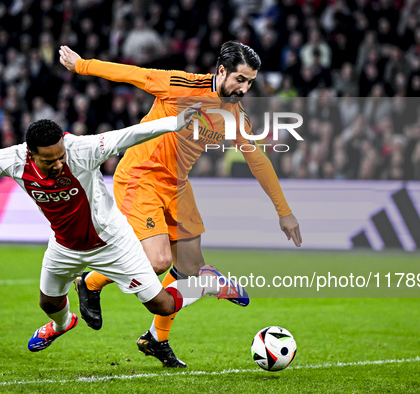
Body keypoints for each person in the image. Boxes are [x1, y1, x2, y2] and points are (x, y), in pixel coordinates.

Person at [0, 110, 248, 352]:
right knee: (49, 302)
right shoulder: (14, 160)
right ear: (31, 154)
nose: (60, 163)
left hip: (111, 243)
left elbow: (129, 134)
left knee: (161, 305)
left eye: (61, 156)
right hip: (64, 246)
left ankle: (205, 285)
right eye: (51, 161)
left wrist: (175, 123)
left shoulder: (82, 150)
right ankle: (62, 325)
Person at [59, 41, 302, 367]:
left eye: (249, 83)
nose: (244, 89)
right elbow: (135, 74)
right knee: (158, 262)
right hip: (140, 176)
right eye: (240, 80)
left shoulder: (235, 116)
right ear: (221, 71)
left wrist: (284, 211)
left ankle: (157, 339)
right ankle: (89, 283)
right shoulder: (181, 85)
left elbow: (258, 161)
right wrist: (82, 65)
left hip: (176, 186)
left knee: (188, 270)